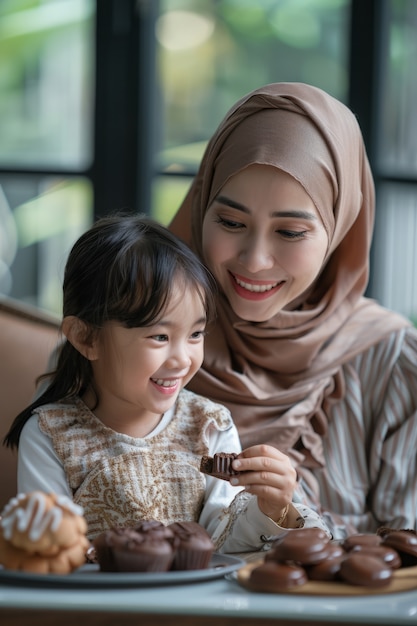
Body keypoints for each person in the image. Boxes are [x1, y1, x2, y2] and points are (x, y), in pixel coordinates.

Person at [169, 82, 417, 540]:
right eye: (230, 222)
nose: (254, 260)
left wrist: (288, 513)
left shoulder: (393, 363)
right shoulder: (123, 341)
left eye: (291, 232)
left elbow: (406, 559)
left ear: (339, 228)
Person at [3, 214, 329, 550]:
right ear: (86, 338)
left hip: (191, 602)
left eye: (196, 334)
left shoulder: (209, 426)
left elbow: (224, 539)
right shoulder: (51, 435)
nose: (182, 359)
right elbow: (47, 545)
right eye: (159, 336)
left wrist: (272, 507)